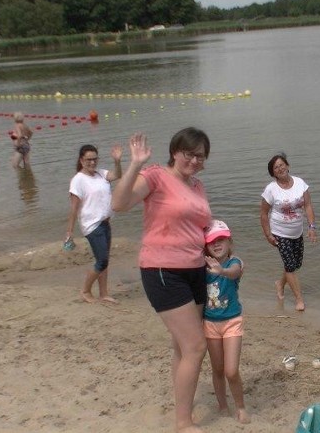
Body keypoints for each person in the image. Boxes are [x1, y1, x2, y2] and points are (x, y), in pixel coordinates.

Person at [112, 127, 212, 433]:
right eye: (189, 153)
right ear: (174, 151)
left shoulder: (197, 186)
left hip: (195, 269)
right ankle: (183, 422)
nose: (194, 160)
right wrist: (133, 164)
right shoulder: (155, 175)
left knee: (182, 348)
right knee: (195, 347)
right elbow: (119, 204)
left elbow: (201, 227)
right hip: (162, 270)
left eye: (200, 156)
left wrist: (221, 253)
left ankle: (183, 405)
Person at [202, 219, 250, 424]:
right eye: (212, 241)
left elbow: (234, 273)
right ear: (206, 246)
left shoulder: (234, 263)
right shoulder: (201, 267)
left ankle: (240, 406)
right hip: (210, 323)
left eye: (221, 239)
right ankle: (222, 405)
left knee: (231, 370)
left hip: (232, 321)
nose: (217, 244)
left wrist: (220, 271)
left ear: (230, 242)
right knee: (218, 369)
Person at [66, 144, 123, 303]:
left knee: (104, 260)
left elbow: (117, 174)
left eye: (94, 159)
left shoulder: (101, 174)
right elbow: (73, 208)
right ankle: (85, 291)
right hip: (92, 225)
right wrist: (69, 232)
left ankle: (104, 293)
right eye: (88, 159)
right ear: (81, 160)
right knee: (102, 260)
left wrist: (117, 161)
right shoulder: (78, 180)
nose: (92, 162)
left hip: (105, 223)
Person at [260, 153, 317, 312]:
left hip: (297, 232)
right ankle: (299, 299)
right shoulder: (271, 190)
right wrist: (268, 234)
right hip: (279, 232)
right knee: (290, 266)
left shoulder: (300, 183)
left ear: (287, 165)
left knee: (295, 264)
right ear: (273, 173)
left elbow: (308, 206)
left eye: (281, 165)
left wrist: (311, 227)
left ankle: (280, 284)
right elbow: (264, 214)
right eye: (276, 168)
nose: (280, 168)